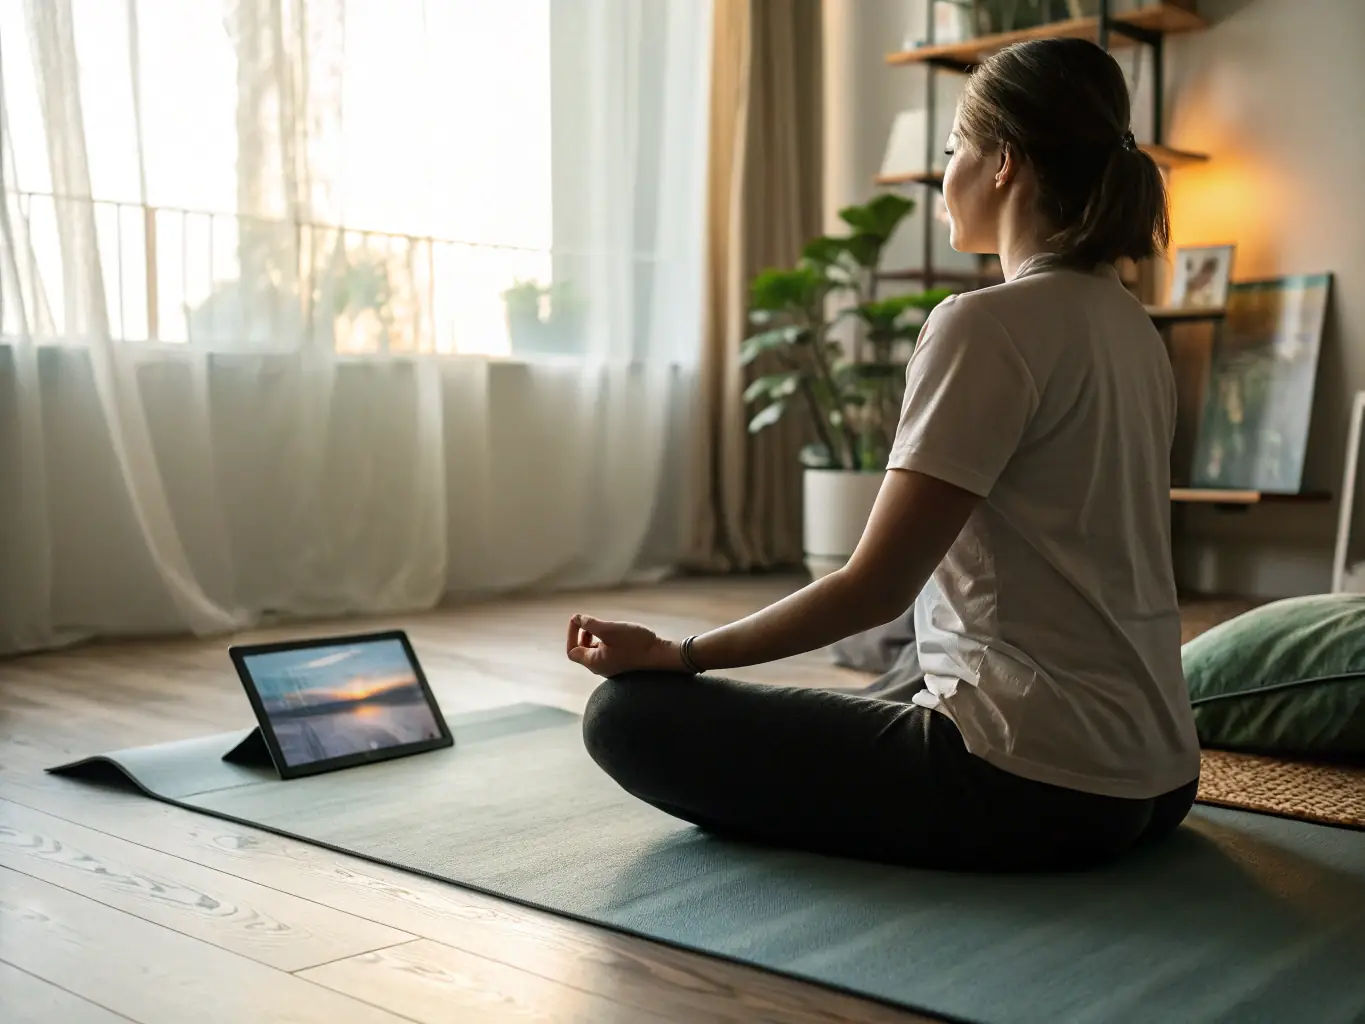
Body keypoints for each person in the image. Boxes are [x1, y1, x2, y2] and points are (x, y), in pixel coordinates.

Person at [564, 37, 1201, 873]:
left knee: (625, 718)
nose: (944, 178)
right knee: (904, 668)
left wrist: (678, 655)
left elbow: (873, 587)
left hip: (1033, 786)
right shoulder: (1132, 329)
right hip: (1158, 773)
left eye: (951, 151)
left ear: (1002, 161)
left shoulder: (984, 325)